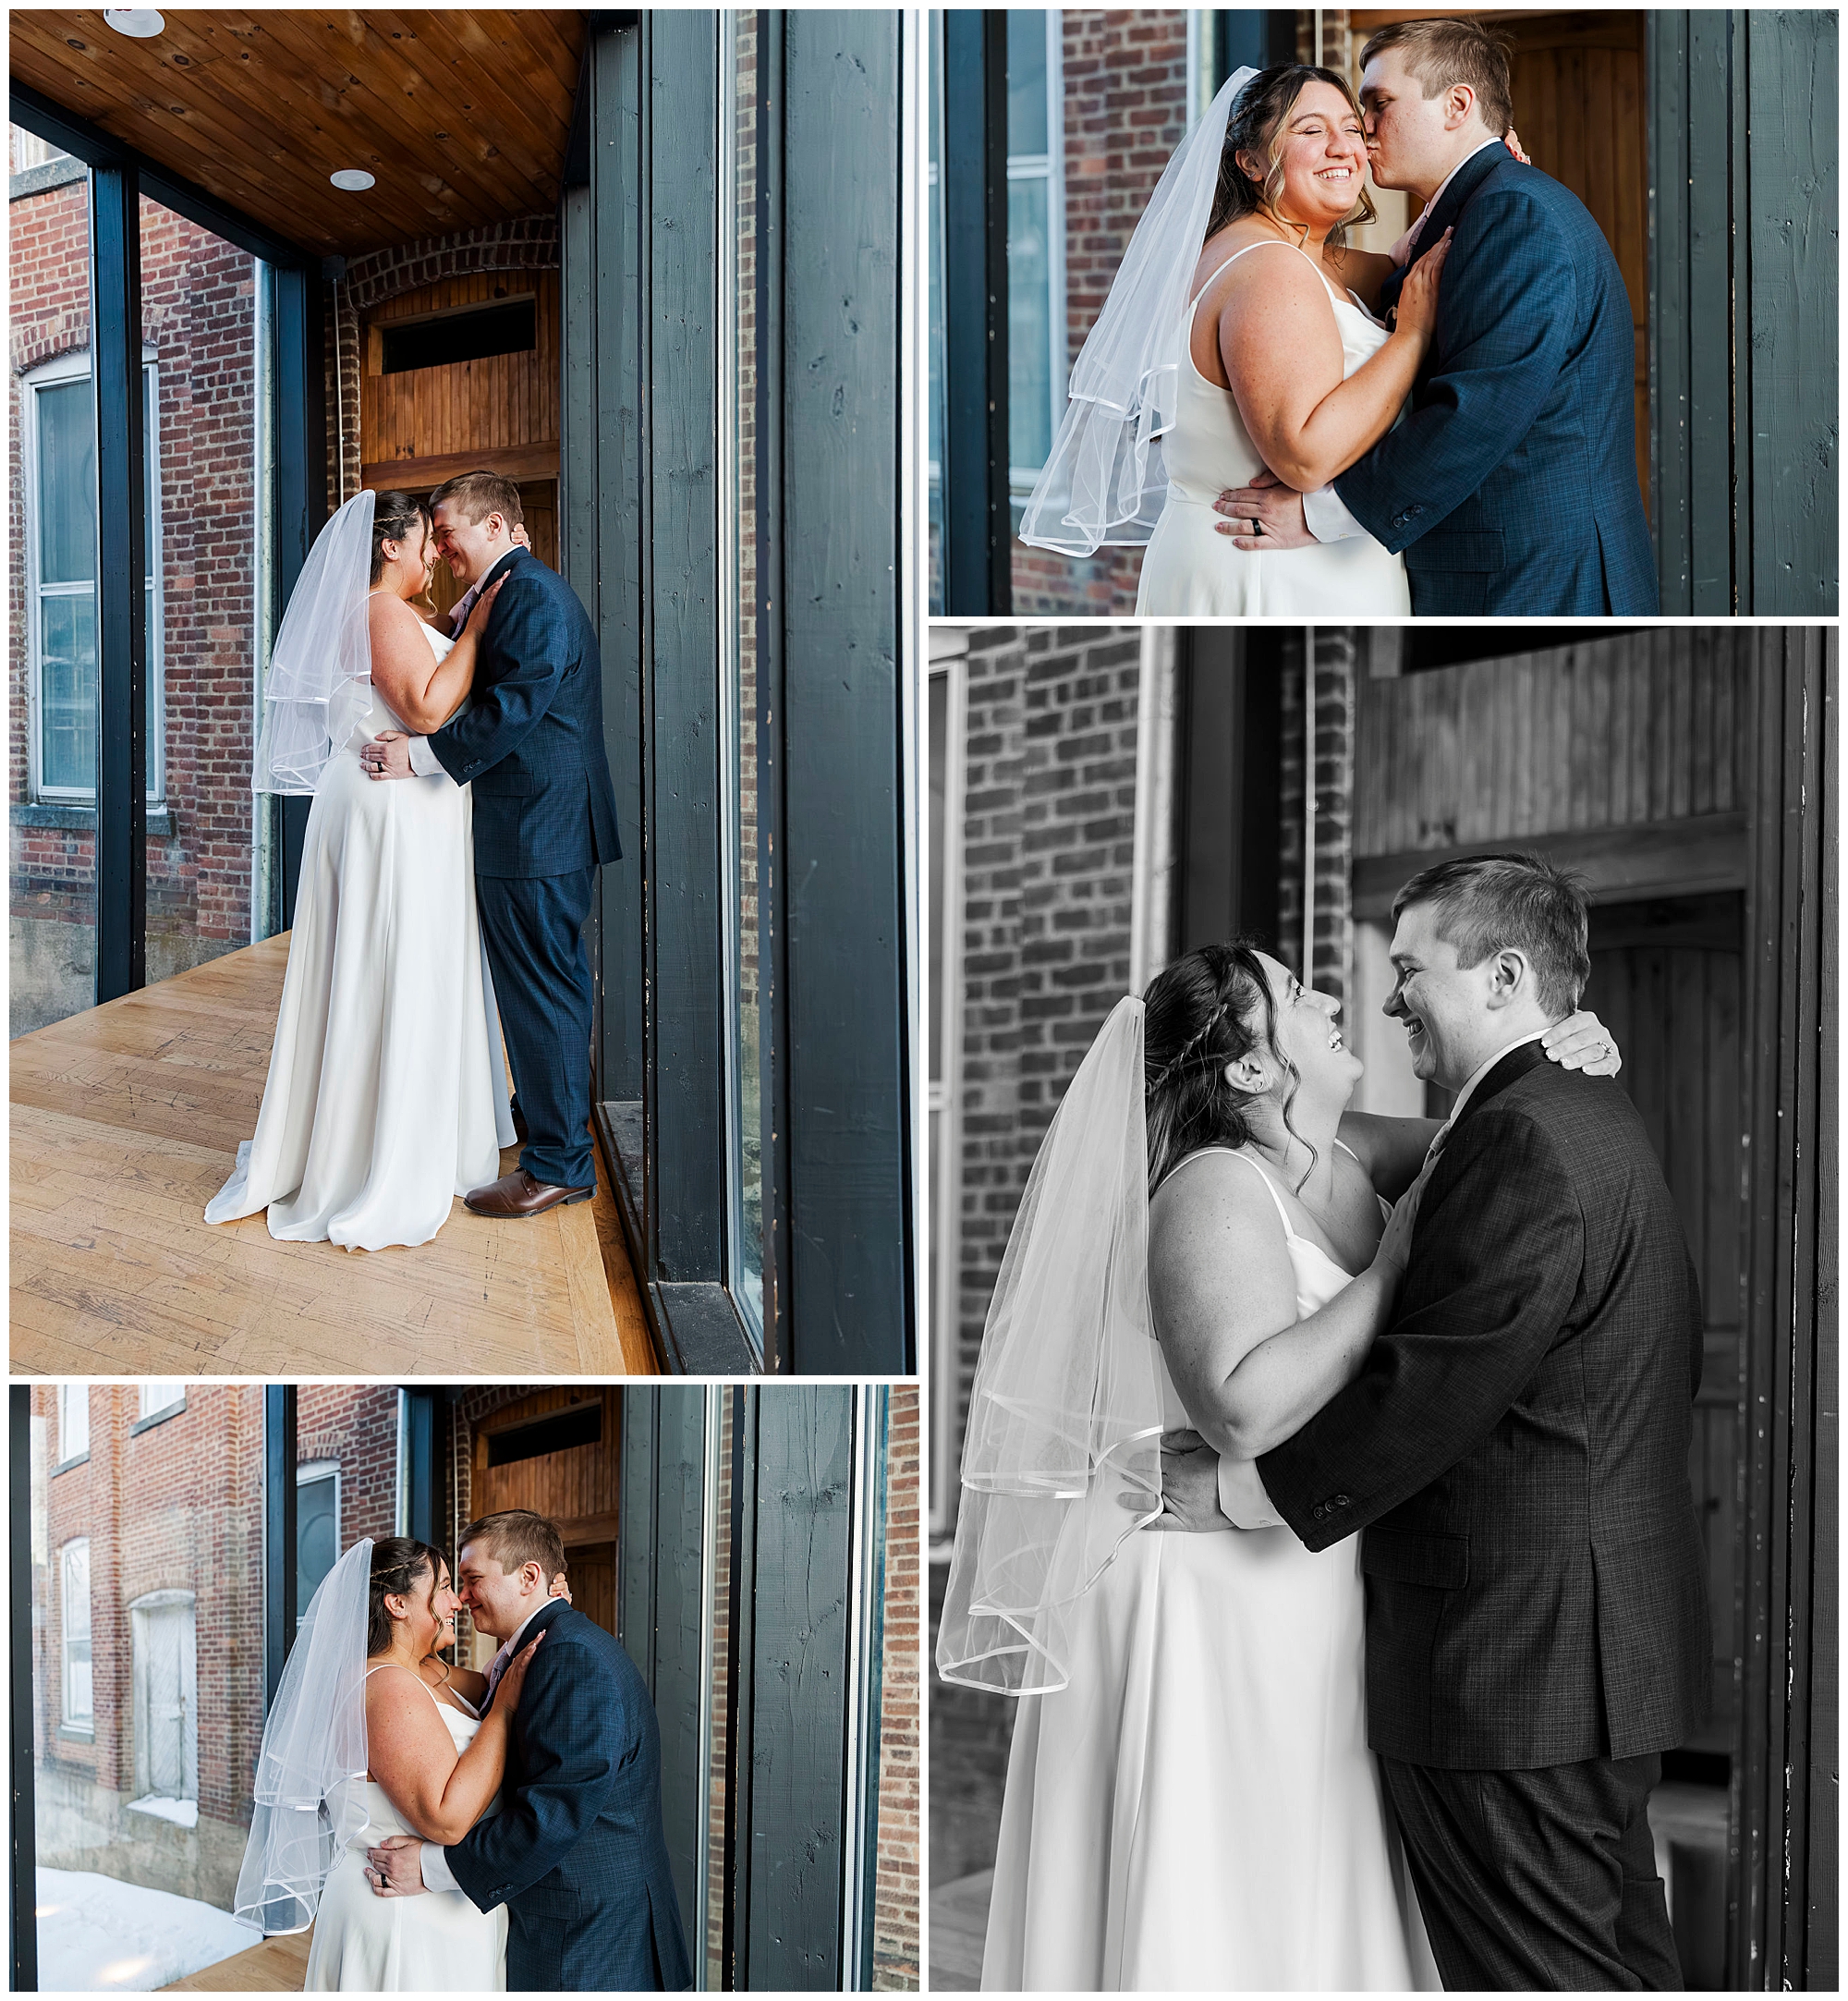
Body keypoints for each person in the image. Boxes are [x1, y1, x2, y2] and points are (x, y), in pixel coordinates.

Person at [937, 920, 1627, 1988]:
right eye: (1298, 992)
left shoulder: (1347, 1148)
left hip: (1303, 1564)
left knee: (1310, 1874)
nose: (1329, 999)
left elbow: (1477, 1134)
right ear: (1254, 1062)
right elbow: (1243, 1410)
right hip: (1207, 1581)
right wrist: (1387, 1270)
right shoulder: (1210, 1184)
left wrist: (1558, 1038)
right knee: (1224, 1889)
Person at [1161, 854, 1709, 1988]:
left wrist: (1238, 1492)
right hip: (1585, 1649)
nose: (1381, 993)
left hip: (1511, 1663)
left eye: (1409, 967)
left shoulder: (1515, 1131)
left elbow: (1436, 1385)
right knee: (1614, 1964)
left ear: (1504, 975)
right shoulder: (1559, 1108)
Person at [1217, 20, 1658, 615]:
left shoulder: (1514, 213)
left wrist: (1318, 513)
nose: (1362, 130)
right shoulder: (1482, 210)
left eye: (1378, 104)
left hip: (1533, 577)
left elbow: (1476, 412)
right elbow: (1356, 277)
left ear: (1456, 105)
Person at [206, 490, 516, 1251]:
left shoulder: (390, 616)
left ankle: (384, 1124)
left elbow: (420, 651)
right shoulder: (379, 610)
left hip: (394, 813)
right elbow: (426, 708)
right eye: (421, 543)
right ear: (388, 549)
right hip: (389, 818)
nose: (428, 557)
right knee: (394, 968)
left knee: (394, 968)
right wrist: (476, 627)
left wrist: (458, 617)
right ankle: (382, 1149)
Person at [360, 471, 623, 1221]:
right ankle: (550, 1123)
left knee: (543, 991)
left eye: (450, 533)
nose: (441, 548)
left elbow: (511, 708)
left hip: (539, 828)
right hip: (538, 824)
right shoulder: (504, 594)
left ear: (502, 528)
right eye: (433, 537)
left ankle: (559, 1164)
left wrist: (416, 757)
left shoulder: (530, 596)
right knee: (549, 986)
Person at [365, 1509, 692, 1993]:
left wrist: (433, 1868)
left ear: (530, 1577)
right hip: (545, 1920)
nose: (461, 1597)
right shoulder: (543, 1650)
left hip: (585, 1934)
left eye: (473, 1579)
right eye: (452, 1585)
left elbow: (554, 1813)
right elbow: (486, 1698)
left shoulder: (569, 1657)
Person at [231, 1535, 550, 1989]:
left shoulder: (425, 1671)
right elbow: (446, 1819)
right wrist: (504, 1712)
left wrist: (539, 1608)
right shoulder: (385, 1684)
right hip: (403, 1915)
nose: (457, 1601)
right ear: (398, 1603)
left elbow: (499, 1679)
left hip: (445, 1907)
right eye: (443, 1587)